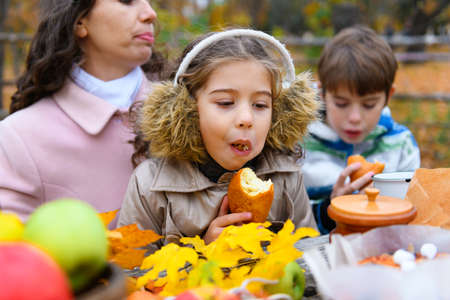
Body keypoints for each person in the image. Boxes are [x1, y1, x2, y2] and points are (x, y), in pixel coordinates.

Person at [118, 29, 320, 249]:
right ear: (186, 111)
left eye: (260, 105)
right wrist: (204, 253)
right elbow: (132, 275)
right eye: (225, 103)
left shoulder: (287, 178)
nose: (246, 119)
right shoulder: (149, 186)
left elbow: (311, 258)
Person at [0, 0, 166, 226]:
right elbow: (11, 251)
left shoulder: (199, 113)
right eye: (127, 1)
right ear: (79, 20)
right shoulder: (19, 137)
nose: (150, 14)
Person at [298, 26, 421, 234]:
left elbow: (417, 213)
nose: (354, 118)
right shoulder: (299, 148)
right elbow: (290, 224)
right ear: (323, 93)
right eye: (341, 104)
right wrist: (331, 210)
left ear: (388, 96)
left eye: (369, 105)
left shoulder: (402, 146)